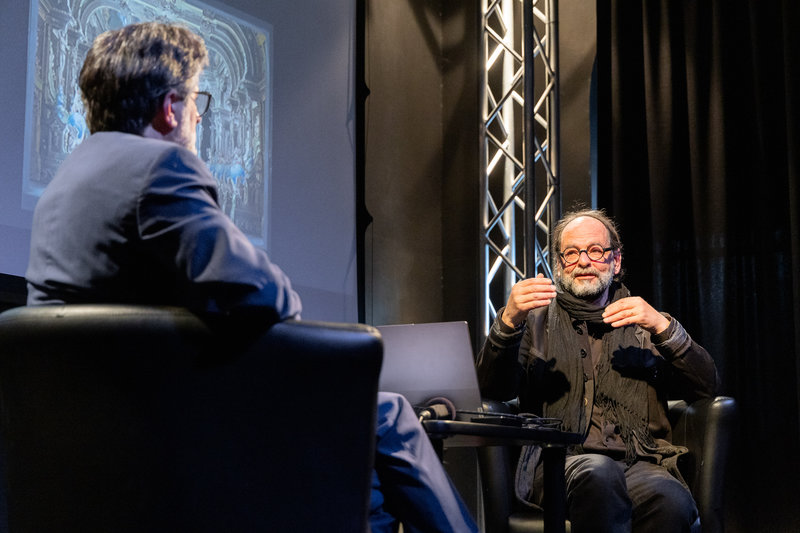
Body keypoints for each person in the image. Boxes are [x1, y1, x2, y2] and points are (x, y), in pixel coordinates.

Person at [25, 21, 476, 533]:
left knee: (365, 486)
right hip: (167, 431)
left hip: (91, 435)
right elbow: (270, 296)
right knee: (387, 417)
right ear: (170, 108)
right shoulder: (161, 168)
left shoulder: (66, 179)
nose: (198, 115)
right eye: (196, 100)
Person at [476, 208, 719, 533]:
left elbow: (706, 387)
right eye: (572, 253)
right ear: (559, 264)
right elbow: (492, 391)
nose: (583, 261)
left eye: (595, 251)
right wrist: (508, 322)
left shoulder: (643, 322)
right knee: (599, 473)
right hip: (559, 463)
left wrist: (664, 327)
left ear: (615, 261)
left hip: (638, 462)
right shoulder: (535, 321)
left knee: (669, 498)